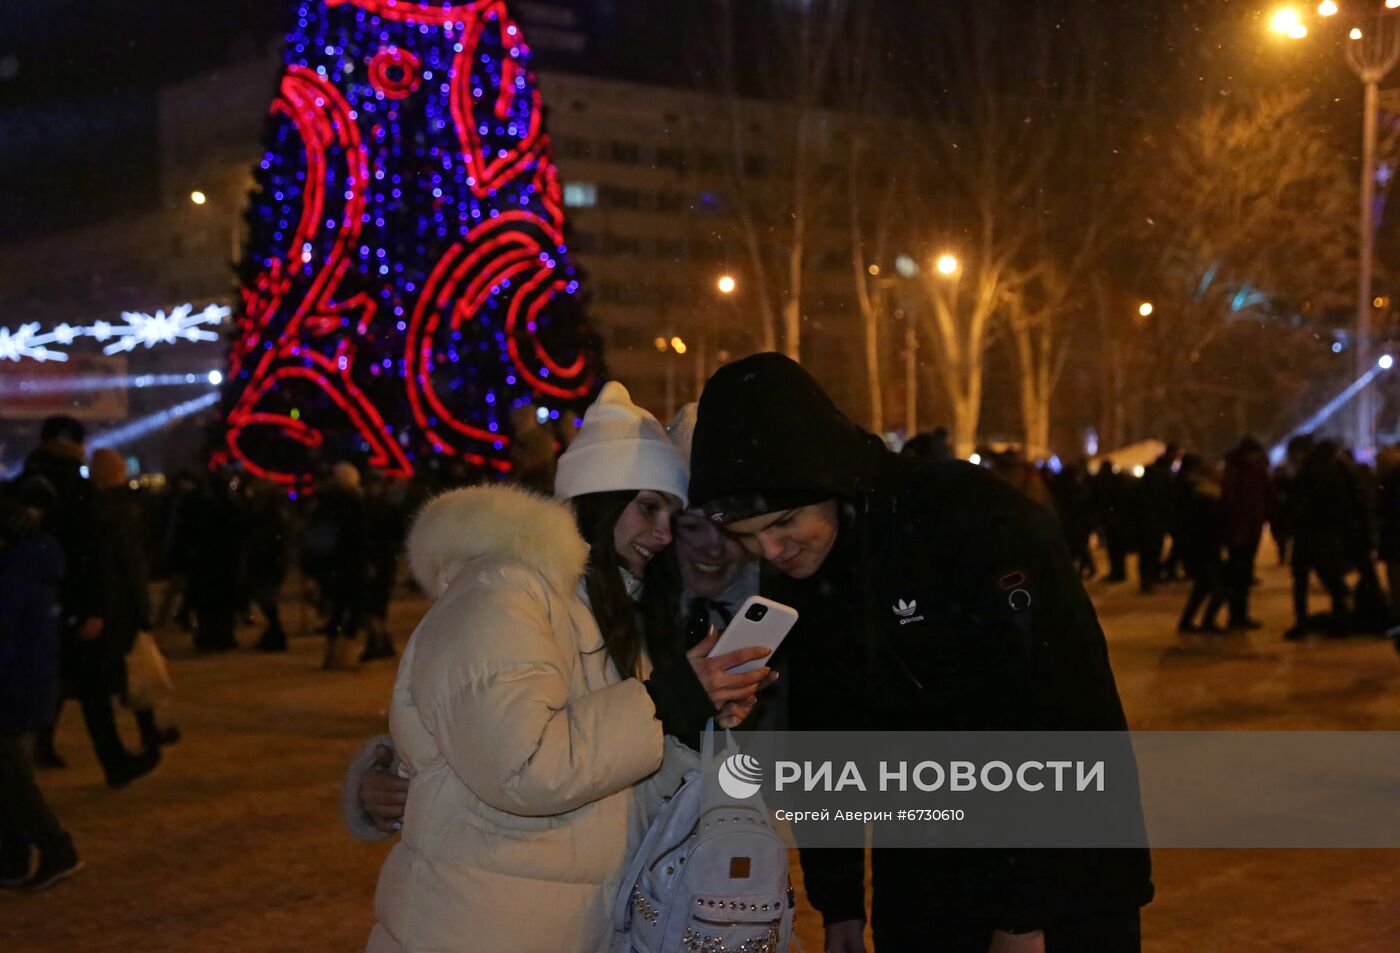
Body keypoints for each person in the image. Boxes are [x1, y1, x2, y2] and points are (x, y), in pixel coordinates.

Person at [687, 354, 1152, 953]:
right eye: (746, 537)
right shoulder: (807, 570)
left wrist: (1022, 916)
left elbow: (1052, 715)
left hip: (1068, 881)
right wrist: (842, 906)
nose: (771, 549)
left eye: (784, 522)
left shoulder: (971, 519)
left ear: (830, 477)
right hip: (928, 881)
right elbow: (827, 736)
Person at [360, 382, 775, 953]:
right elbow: (525, 767)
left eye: (671, 515)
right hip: (476, 925)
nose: (661, 532)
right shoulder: (504, 591)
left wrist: (699, 715)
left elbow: (618, 782)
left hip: (565, 922)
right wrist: (663, 700)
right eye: (648, 507)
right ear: (600, 496)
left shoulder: (601, 610)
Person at [21, 417, 157, 786]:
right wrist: (93, 609)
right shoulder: (80, 493)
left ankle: (35, 755)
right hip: (72, 604)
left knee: (44, 681)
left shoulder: (22, 487)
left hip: (28, 604)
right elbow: (91, 557)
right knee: (92, 687)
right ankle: (114, 762)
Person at [0, 488, 83, 891]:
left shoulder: (15, 576)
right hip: (25, 681)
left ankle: (56, 847)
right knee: (9, 774)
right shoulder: (32, 565)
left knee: (12, 776)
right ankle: (14, 854)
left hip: (12, 685)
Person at [89, 450, 180, 754]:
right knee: (129, 672)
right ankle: (144, 733)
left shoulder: (89, 506)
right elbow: (131, 564)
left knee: (108, 675)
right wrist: (142, 610)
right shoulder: (123, 510)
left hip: (101, 603)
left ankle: (147, 730)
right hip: (120, 605)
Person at [304, 463, 370, 669]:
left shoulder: (324, 504)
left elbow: (318, 539)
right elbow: (361, 537)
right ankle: (344, 655)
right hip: (351, 565)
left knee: (337, 610)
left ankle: (331, 655)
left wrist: (313, 569)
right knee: (354, 610)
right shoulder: (355, 504)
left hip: (332, 567)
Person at [1219, 437, 1273, 630]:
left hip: (1246, 529)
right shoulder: (1243, 473)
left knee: (1241, 574)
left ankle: (1239, 614)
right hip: (1242, 530)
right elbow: (1236, 503)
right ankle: (1237, 616)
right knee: (1239, 575)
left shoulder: (1242, 471)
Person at [1174, 455, 1226, 634]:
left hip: (1202, 547)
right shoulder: (1203, 493)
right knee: (1216, 588)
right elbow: (1205, 524)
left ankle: (1188, 621)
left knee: (1203, 587)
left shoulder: (1200, 491)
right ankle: (1206, 622)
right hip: (1204, 548)